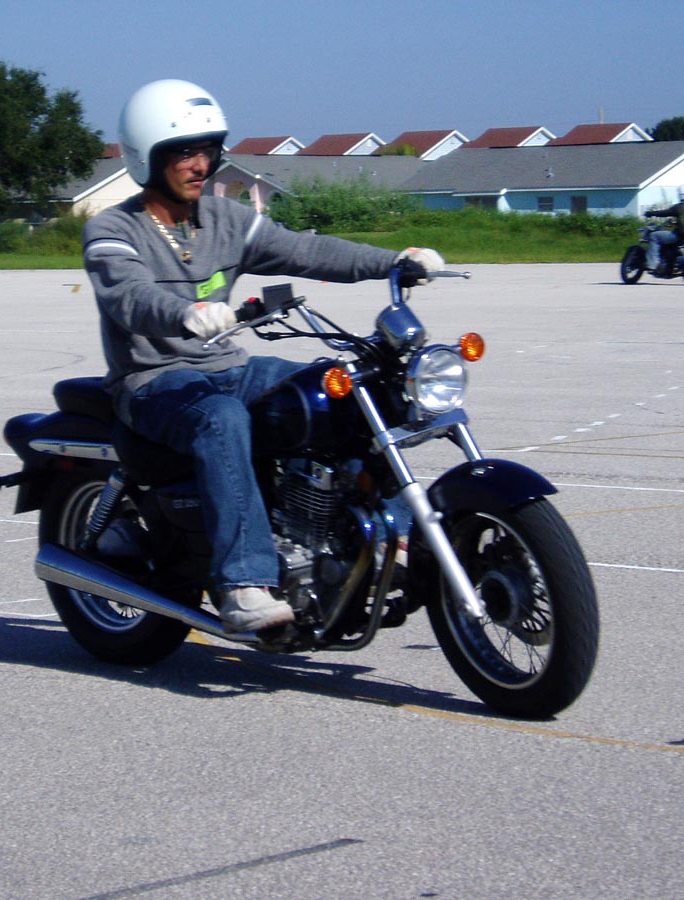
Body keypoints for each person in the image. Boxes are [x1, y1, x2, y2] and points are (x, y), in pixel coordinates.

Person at [82, 79, 444, 633]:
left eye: (208, 150)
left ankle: (380, 535)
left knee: (339, 388)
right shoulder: (113, 228)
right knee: (222, 419)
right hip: (152, 381)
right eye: (183, 152)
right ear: (147, 157)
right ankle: (244, 583)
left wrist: (394, 261)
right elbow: (127, 293)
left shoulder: (225, 219)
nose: (200, 164)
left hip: (229, 366)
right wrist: (183, 313)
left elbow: (306, 249)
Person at [644, 184, 684, 274]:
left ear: (680, 194)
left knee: (654, 236)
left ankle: (652, 265)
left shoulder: (680, 207)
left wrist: (651, 213)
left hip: (680, 235)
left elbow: (666, 212)